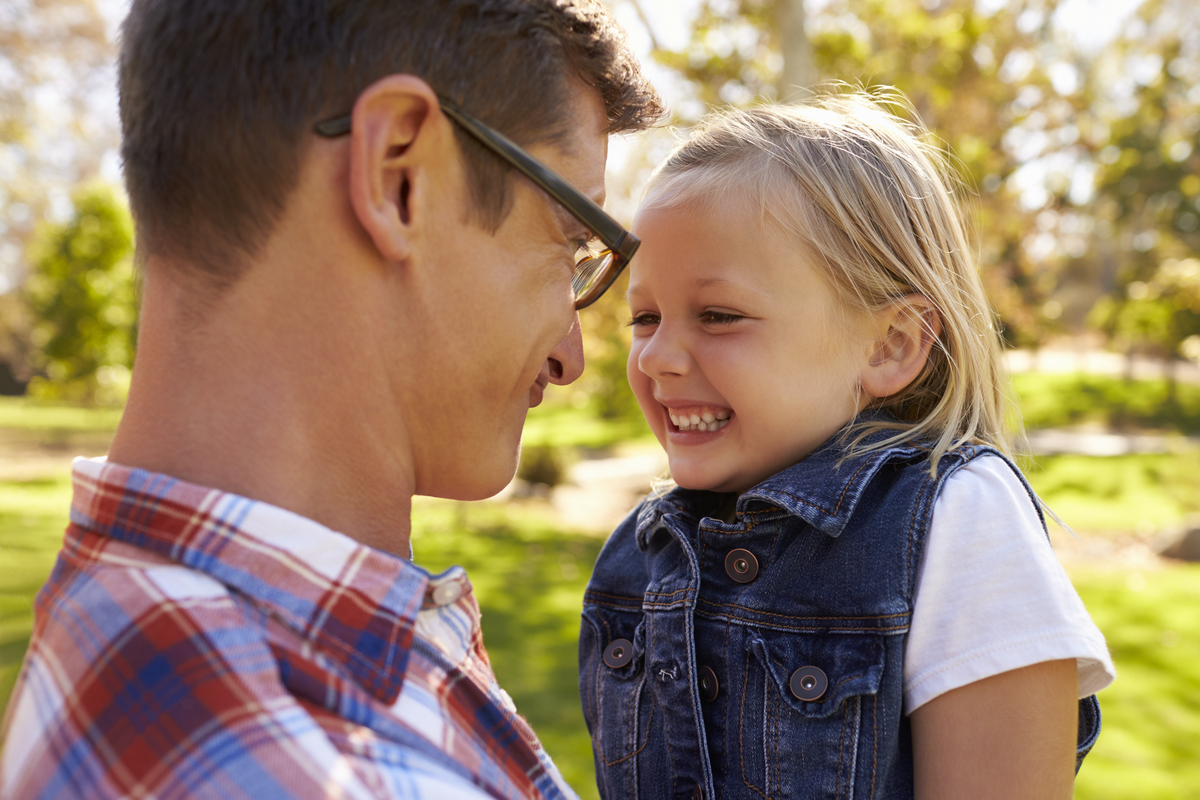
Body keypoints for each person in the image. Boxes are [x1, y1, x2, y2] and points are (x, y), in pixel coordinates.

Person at [0, 2, 663, 798]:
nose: (571, 355)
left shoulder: (134, 629)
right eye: (570, 241)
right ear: (398, 174)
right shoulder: (304, 769)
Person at [578, 93, 1115, 800]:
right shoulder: (635, 557)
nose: (655, 358)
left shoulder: (958, 523)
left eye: (718, 315)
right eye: (644, 318)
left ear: (891, 344)